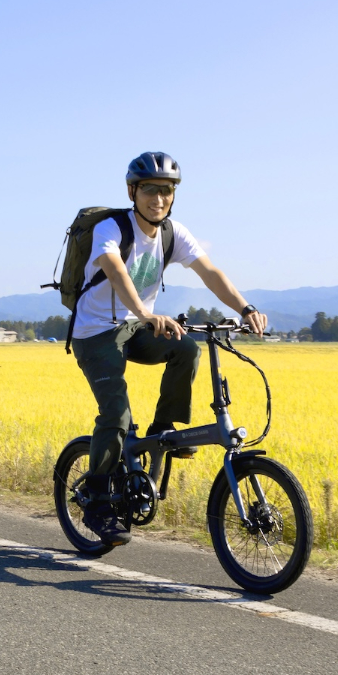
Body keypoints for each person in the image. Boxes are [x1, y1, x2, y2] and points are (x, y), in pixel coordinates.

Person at [71, 152, 268, 545]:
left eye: (166, 190)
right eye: (149, 190)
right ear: (133, 191)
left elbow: (210, 272)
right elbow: (115, 269)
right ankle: (97, 500)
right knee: (116, 414)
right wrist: (145, 312)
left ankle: (163, 430)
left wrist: (245, 309)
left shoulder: (172, 234)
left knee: (187, 349)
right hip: (95, 333)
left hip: (137, 326)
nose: (158, 198)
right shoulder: (112, 228)